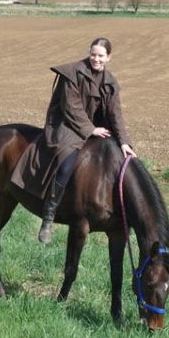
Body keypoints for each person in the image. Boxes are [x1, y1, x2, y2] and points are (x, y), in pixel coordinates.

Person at [37, 37, 137, 244]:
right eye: (93, 54)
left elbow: (115, 114)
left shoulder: (110, 82)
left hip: (95, 128)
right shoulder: (72, 72)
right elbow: (70, 107)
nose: (96, 59)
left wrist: (124, 142)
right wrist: (90, 129)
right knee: (66, 162)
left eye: (101, 56)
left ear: (109, 57)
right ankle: (48, 216)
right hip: (67, 125)